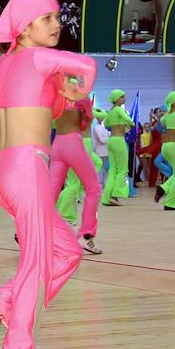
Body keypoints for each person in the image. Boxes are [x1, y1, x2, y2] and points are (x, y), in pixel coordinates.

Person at [0, 0, 96, 349]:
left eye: (57, 17)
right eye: (47, 18)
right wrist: (80, 90)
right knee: (35, 269)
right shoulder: (40, 58)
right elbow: (88, 66)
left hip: (9, 169)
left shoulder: (7, 63)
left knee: (67, 253)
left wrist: (61, 90)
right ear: (24, 27)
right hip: (28, 168)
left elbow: (14, 96)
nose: (57, 24)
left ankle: (0, 304)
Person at [49, 97, 103, 254]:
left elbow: (51, 122)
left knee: (49, 194)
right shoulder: (81, 97)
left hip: (57, 144)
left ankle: (30, 231)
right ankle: (86, 235)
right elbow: (86, 122)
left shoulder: (56, 97)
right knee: (93, 188)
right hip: (73, 143)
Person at [101, 90, 131, 206]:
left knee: (112, 170)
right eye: (122, 97)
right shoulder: (119, 109)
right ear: (116, 99)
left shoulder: (110, 112)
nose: (124, 99)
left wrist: (117, 124)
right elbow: (130, 120)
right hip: (119, 140)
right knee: (123, 169)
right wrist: (127, 124)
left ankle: (106, 197)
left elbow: (106, 124)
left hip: (111, 140)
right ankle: (115, 195)